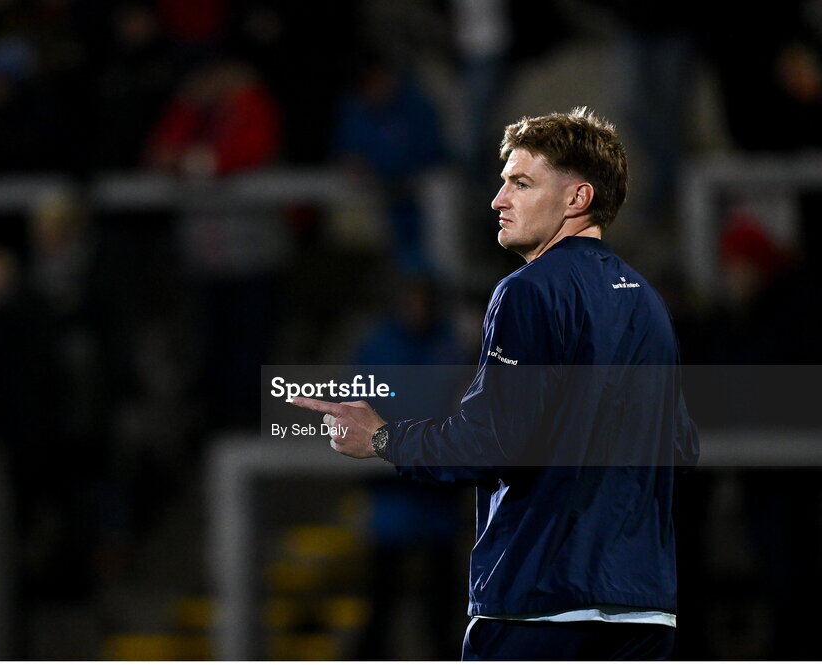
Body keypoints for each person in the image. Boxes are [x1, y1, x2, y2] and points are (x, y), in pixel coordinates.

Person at [292, 108, 699, 660]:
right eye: (503, 182)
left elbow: (493, 442)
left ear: (577, 198)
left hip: (541, 607)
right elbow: (680, 446)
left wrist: (383, 438)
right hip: (644, 612)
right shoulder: (648, 303)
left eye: (521, 183)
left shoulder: (528, 291)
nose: (498, 200)